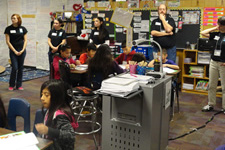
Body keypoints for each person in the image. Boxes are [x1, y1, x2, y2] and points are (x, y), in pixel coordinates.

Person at [35, 79, 78, 150]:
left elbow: (70, 136)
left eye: (46, 95)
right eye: (42, 94)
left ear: (56, 97)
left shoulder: (60, 115)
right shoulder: (51, 110)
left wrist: (48, 131)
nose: (42, 98)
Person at [201, 16, 225, 112]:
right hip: (213, 62)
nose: (219, 26)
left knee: (224, 86)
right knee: (212, 85)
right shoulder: (216, 34)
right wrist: (215, 28)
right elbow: (203, 33)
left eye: (220, 24)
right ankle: (211, 104)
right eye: (218, 24)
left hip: (223, 64)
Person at [4, 14, 28, 91]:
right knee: (15, 68)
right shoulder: (8, 29)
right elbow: (8, 41)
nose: (12, 19)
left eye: (14, 18)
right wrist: (14, 50)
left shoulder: (23, 29)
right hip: (13, 51)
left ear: (18, 19)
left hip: (22, 51)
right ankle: (11, 84)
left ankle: (19, 85)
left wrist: (23, 50)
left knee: (21, 68)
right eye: (12, 18)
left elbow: (25, 40)